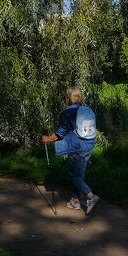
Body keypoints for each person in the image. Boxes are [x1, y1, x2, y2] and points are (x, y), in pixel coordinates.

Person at [40, 87, 100, 215]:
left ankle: (90, 196)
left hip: (77, 147)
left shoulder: (67, 112)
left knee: (73, 175)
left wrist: (47, 139)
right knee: (79, 174)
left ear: (68, 98)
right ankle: (75, 201)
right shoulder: (87, 110)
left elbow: (59, 134)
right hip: (89, 145)